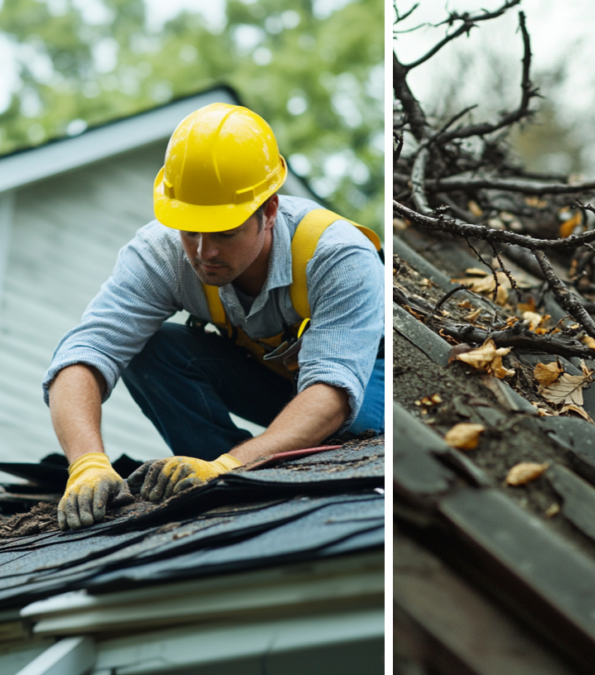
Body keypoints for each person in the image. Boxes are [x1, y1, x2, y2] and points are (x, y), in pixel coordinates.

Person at [46, 103, 383, 531]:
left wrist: (235, 463)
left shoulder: (337, 254)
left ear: (270, 210)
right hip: (276, 385)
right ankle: (219, 482)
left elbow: (334, 390)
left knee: (352, 436)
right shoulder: (160, 254)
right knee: (154, 350)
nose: (204, 253)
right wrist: (86, 463)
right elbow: (85, 352)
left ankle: (239, 466)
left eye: (224, 232)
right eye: (191, 230)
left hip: (361, 386)